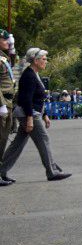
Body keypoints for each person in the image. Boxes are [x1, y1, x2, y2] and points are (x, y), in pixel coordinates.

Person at [0, 47, 70, 184]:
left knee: (17, 144)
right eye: (44, 59)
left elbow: (38, 99)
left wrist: (45, 116)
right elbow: (26, 99)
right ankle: (51, 171)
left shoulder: (34, 73)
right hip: (29, 114)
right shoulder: (29, 75)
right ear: (36, 61)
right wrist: (30, 118)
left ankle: (2, 171)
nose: (46, 61)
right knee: (44, 140)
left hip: (32, 113)